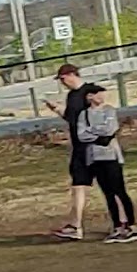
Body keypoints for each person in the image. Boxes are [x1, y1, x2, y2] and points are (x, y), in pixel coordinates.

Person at [77, 84, 137, 242]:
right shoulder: (83, 115)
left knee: (119, 190)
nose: (102, 97)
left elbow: (110, 129)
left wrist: (94, 131)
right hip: (94, 158)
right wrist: (98, 134)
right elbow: (81, 135)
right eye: (98, 94)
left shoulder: (109, 110)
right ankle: (117, 226)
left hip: (111, 156)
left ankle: (130, 225)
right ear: (89, 97)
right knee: (108, 193)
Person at [43, 61, 93, 241]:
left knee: (109, 185)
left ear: (72, 75)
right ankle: (76, 225)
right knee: (79, 185)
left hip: (93, 146)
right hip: (79, 146)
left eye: (63, 79)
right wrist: (56, 109)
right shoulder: (72, 97)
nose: (62, 83)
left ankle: (124, 223)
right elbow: (71, 118)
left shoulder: (90, 92)